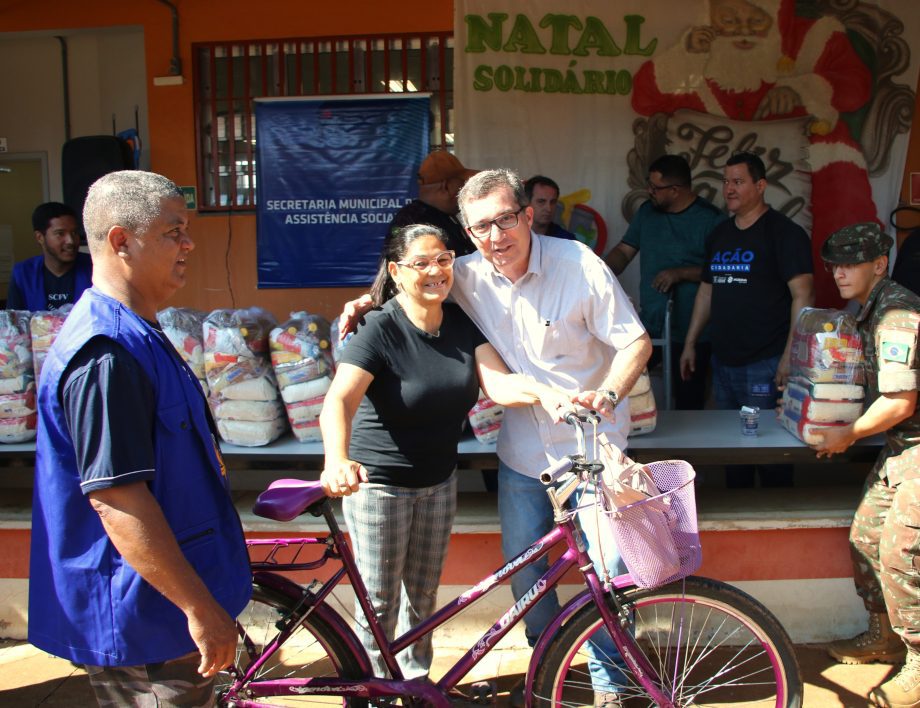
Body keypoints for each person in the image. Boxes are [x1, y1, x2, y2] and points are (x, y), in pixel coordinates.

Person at [342, 169, 652, 705]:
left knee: (607, 573)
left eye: (505, 220)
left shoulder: (577, 266)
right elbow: (415, 280)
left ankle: (609, 685)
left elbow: (635, 343)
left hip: (590, 450)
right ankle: (547, 661)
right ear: (467, 230)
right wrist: (366, 303)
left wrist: (606, 395)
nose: (496, 237)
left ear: (527, 216)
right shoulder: (464, 272)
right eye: (481, 226)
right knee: (529, 572)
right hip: (522, 456)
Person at [28, 171, 251, 706]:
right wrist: (198, 607)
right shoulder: (105, 354)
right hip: (143, 618)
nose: (189, 243)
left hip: (163, 607)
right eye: (174, 231)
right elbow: (118, 499)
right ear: (121, 241)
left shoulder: (138, 331)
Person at [319, 223, 573, 681]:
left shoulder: (459, 322)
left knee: (422, 596)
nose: (435, 271)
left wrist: (546, 392)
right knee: (378, 602)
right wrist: (336, 460)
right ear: (396, 271)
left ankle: (414, 683)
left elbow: (498, 383)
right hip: (380, 486)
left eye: (443, 259)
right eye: (421, 263)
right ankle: (372, 690)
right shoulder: (380, 328)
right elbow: (339, 400)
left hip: (438, 482)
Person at [631, 0, 879, 308]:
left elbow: (857, 85)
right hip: (717, 192)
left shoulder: (813, 39)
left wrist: (801, 89)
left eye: (756, 21)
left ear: (776, 17)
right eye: (730, 20)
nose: (743, 31)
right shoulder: (699, 52)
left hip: (814, 171)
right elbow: (643, 96)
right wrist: (686, 54)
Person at [817, 223, 920, 707]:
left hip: (915, 445)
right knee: (865, 536)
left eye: (849, 263)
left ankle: (919, 661)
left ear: (879, 263)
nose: (839, 272)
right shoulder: (869, 310)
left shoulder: (896, 313)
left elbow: (900, 401)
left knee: (904, 553)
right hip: (903, 446)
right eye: (834, 263)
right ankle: (883, 636)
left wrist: (849, 434)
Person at [680, 152, 813, 487]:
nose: (729, 189)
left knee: (771, 451)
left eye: (738, 181)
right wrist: (691, 343)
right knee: (732, 450)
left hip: (766, 362)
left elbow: (804, 295)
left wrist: (789, 356)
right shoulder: (720, 234)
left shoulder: (784, 233)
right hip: (724, 362)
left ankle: (777, 522)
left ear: (761, 185)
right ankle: (738, 519)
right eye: (726, 182)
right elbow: (707, 292)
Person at [605, 154, 726, 409]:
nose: (649, 192)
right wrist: (597, 273)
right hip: (650, 324)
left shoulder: (711, 219)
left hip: (693, 331)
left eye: (655, 188)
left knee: (688, 402)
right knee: (623, 391)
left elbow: (721, 271)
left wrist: (680, 273)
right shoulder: (647, 212)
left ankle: (686, 451)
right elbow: (624, 251)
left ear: (675, 190)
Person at [385, 150, 478, 256]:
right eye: (462, 184)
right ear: (446, 187)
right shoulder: (417, 223)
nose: (465, 191)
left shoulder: (441, 215)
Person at [7, 201, 93, 311]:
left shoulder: (95, 268)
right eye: (60, 233)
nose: (71, 241)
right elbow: (14, 322)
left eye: (74, 233)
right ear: (40, 237)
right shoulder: (23, 273)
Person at [524, 175, 576, 240]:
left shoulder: (566, 240)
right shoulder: (511, 234)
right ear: (526, 203)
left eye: (553, 202)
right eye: (541, 201)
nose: (549, 208)